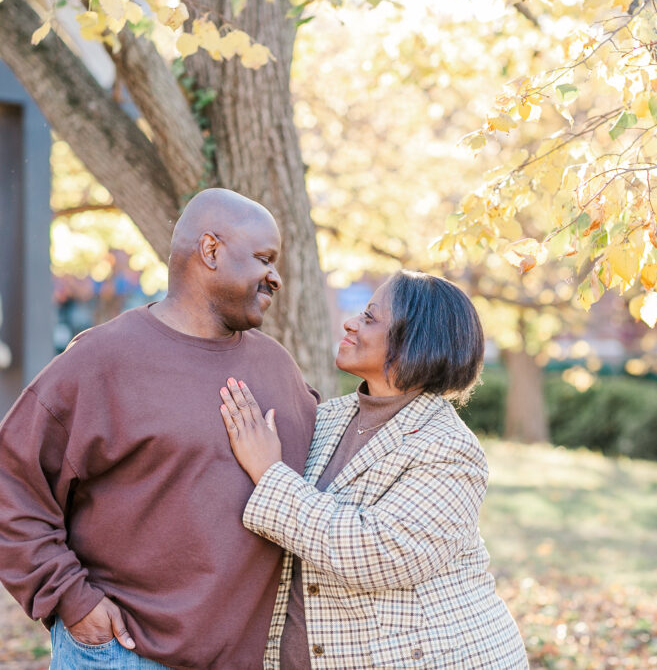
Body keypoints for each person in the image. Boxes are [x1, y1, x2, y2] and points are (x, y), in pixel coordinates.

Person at [0, 189, 320, 668]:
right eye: (263, 259)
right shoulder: (103, 360)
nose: (275, 277)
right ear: (211, 250)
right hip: (122, 653)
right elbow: (6, 484)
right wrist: (71, 599)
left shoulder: (277, 366)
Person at [218, 270, 528, 668]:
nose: (350, 323)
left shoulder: (449, 448)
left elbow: (377, 552)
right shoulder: (325, 418)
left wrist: (269, 473)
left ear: (416, 339)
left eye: (369, 317)